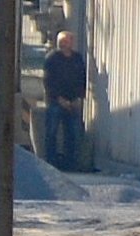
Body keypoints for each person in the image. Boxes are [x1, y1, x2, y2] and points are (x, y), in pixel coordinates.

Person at [43, 30, 87, 172]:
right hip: (56, 101)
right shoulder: (52, 59)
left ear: (71, 43)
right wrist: (59, 99)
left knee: (72, 133)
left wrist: (79, 98)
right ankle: (51, 163)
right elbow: (48, 82)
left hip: (73, 102)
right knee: (52, 133)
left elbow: (82, 79)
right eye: (61, 41)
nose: (63, 44)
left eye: (66, 41)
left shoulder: (77, 59)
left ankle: (70, 164)